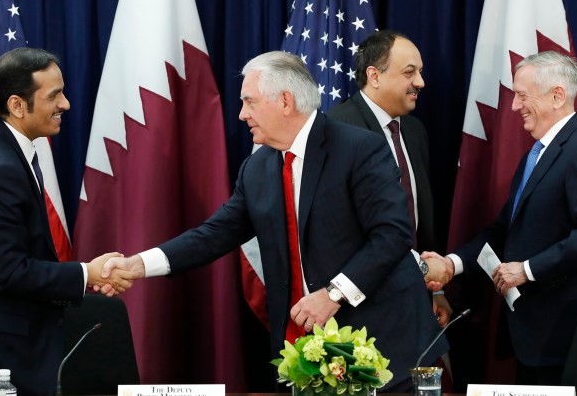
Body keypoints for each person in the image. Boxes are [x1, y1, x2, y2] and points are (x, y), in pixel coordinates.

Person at [100, 51, 447, 392]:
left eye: (249, 102)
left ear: (284, 101)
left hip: (383, 345)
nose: (241, 114)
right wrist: (137, 266)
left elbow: (392, 235)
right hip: (304, 351)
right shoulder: (258, 167)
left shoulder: (359, 148)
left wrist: (334, 293)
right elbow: (214, 234)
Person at [0, 47, 133, 396]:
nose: (66, 104)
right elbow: (7, 271)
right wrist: (86, 273)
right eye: (54, 95)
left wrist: (85, 276)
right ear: (18, 105)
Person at [423, 50, 577, 385]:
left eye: (522, 95)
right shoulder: (536, 156)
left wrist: (527, 270)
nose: (515, 106)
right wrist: (452, 264)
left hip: (568, 336)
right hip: (535, 335)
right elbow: (503, 231)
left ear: (557, 96)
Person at [328, 30, 453, 327]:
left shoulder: (414, 131)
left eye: (420, 72)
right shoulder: (337, 129)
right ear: (374, 75)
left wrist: (437, 289)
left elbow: (423, 217)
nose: (420, 83)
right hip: (363, 305)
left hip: (415, 295)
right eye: (410, 72)